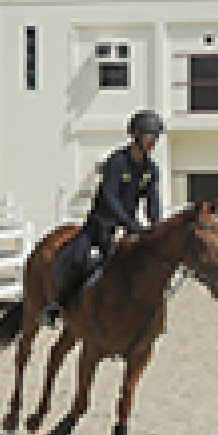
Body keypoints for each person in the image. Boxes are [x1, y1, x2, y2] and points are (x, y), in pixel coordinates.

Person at [49, 110, 165, 320]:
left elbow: (152, 202)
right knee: (77, 259)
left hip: (129, 228)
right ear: (135, 135)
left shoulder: (151, 169)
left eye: (156, 137)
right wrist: (130, 222)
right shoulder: (116, 162)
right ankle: (58, 304)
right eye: (150, 136)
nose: (153, 142)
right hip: (100, 225)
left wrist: (157, 227)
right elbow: (109, 197)